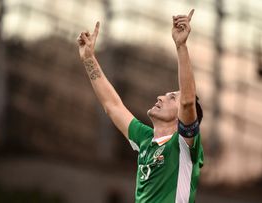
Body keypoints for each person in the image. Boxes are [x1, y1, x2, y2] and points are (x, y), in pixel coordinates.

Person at [77, 8, 203, 203]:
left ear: (182, 117)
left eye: (171, 97)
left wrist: (181, 46)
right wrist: (88, 58)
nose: (161, 97)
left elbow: (187, 101)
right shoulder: (145, 139)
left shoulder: (183, 145)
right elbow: (112, 106)